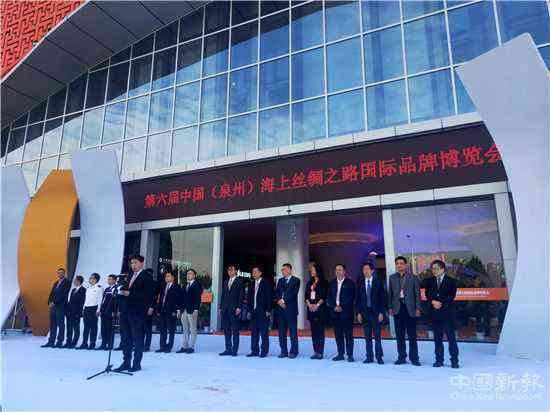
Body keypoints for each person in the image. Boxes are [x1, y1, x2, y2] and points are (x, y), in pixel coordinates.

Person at [115, 255, 154, 372]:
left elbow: (148, 295)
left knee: (137, 338)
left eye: (136, 262)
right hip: (125, 311)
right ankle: (126, 362)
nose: (133, 265)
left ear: (142, 263)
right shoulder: (129, 276)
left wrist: (130, 294)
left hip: (138, 312)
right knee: (125, 338)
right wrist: (120, 291)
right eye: (132, 263)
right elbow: (124, 290)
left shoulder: (147, 277)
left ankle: (136, 364)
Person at [425, 260, 459, 368]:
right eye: (433, 268)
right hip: (435, 314)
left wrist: (440, 303)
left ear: (443, 269)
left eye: (436, 268)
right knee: (437, 339)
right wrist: (433, 302)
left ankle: (454, 361)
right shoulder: (429, 281)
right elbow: (427, 294)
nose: (434, 270)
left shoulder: (451, 281)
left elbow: (451, 296)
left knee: (451, 338)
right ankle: (439, 360)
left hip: (447, 314)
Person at [388, 256, 421, 366]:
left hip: (410, 309)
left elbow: (417, 294)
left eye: (401, 263)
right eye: (397, 263)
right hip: (397, 309)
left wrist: (418, 308)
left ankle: (414, 358)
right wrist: (390, 307)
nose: (399, 265)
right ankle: (401, 357)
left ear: (405, 265)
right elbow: (390, 294)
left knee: (412, 335)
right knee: (399, 335)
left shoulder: (413, 277)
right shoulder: (392, 278)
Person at [356, 261, 387, 364]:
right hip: (365, 313)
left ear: (372, 271)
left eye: (367, 269)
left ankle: (379, 357)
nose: (365, 271)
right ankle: (369, 356)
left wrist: (381, 312)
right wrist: (358, 313)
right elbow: (358, 299)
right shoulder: (360, 282)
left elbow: (383, 298)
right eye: (363, 269)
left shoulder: (378, 282)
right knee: (367, 336)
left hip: (376, 313)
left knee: (377, 336)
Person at [327, 264, 356, 362]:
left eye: (340, 270)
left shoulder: (350, 283)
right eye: (336, 270)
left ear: (344, 271)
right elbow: (329, 297)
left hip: (346, 313)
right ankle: (340, 354)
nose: (338, 271)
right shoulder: (331, 283)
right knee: (338, 335)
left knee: (348, 335)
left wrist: (341, 306)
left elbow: (351, 297)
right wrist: (334, 306)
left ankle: (350, 355)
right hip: (335, 313)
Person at [275, 263, 300, 358]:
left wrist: (283, 300)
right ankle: (283, 351)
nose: (283, 271)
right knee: (281, 332)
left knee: (293, 332)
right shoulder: (280, 280)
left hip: (291, 310)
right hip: (281, 309)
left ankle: (294, 351)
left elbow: (293, 294)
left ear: (289, 270)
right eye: (282, 270)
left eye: (284, 269)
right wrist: (279, 301)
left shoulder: (296, 280)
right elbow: (277, 292)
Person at [246, 265, 272, 358]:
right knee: (254, 332)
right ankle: (254, 351)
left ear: (260, 273)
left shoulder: (266, 283)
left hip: (263, 311)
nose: (254, 273)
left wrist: (268, 310)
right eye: (253, 272)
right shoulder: (251, 283)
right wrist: (249, 310)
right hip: (253, 311)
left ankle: (264, 351)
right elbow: (249, 298)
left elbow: (269, 297)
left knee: (264, 332)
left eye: (255, 272)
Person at [219, 264, 245, 356]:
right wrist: (220, 307)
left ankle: (234, 350)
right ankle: (228, 349)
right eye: (228, 270)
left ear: (235, 271)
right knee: (226, 330)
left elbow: (241, 295)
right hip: (225, 309)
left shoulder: (239, 281)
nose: (230, 271)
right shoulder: (226, 281)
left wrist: (239, 307)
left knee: (235, 330)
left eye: (232, 269)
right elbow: (223, 295)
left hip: (234, 309)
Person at [42, 268, 70, 348]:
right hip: (53, 307)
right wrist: (50, 302)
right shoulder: (56, 282)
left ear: (64, 273)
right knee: (52, 325)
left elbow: (63, 294)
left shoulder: (67, 282)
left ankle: (59, 342)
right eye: (58, 273)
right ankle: (51, 341)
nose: (60, 274)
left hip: (60, 307)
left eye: (61, 273)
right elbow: (52, 294)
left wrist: (54, 302)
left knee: (60, 325)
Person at [177, 268, 203, 354]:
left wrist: (196, 309)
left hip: (192, 310)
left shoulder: (197, 285)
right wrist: (179, 309)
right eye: (188, 274)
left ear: (194, 275)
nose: (188, 275)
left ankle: (191, 347)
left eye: (190, 274)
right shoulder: (185, 285)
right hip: (184, 310)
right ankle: (184, 346)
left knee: (192, 329)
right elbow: (181, 298)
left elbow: (197, 298)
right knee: (185, 329)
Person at [305, 262, 327, 359]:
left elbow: (324, 296)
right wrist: (309, 304)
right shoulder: (309, 282)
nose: (311, 271)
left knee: (320, 331)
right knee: (313, 332)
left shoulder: (324, 282)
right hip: (311, 309)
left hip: (320, 309)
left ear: (317, 271)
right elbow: (306, 295)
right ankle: (315, 351)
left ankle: (320, 352)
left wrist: (317, 305)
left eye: (313, 270)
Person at [156, 271, 181, 353]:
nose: (166, 278)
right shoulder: (163, 286)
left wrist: (177, 310)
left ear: (173, 278)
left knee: (171, 330)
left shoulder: (176, 287)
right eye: (166, 276)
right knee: (162, 330)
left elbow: (178, 299)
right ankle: (162, 346)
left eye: (168, 276)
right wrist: (158, 309)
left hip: (171, 311)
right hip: (163, 311)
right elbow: (161, 299)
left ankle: (169, 347)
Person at [77, 273, 102, 350]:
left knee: (93, 327)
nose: (89, 279)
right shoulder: (88, 288)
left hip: (94, 308)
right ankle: (84, 343)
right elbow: (86, 300)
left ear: (95, 279)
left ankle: (92, 343)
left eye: (91, 278)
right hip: (86, 309)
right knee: (86, 327)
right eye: (90, 278)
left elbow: (100, 299)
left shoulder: (99, 288)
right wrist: (83, 309)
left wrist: (98, 310)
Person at [64, 275, 85, 348]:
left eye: (75, 280)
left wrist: (79, 313)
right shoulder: (73, 290)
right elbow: (70, 301)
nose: (74, 282)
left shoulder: (83, 290)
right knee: (69, 328)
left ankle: (74, 342)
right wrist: (67, 311)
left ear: (79, 281)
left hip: (76, 313)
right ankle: (68, 342)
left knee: (76, 328)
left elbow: (82, 303)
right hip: (69, 312)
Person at [97, 274, 117, 350]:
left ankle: (110, 344)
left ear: (114, 280)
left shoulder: (116, 289)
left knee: (109, 329)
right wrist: (100, 309)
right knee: (103, 328)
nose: (108, 281)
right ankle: (103, 344)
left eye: (110, 279)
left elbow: (116, 301)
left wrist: (114, 311)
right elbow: (103, 300)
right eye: (108, 279)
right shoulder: (107, 289)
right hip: (104, 311)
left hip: (110, 311)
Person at [143, 268, 158, 352]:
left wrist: (151, 307)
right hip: (142, 307)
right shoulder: (143, 282)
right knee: (141, 328)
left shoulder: (153, 283)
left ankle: (147, 346)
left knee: (148, 328)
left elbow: (154, 297)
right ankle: (141, 345)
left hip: (149, 308)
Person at [113, 272, 129, 351]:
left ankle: (126, 344)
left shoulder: (126, 286)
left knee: (126, 329)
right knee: (122, 329)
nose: (118, 281)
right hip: (120, 310)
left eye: (120, 280)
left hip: (125, 311)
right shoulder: (117, 287)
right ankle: (122, 344)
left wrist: (120, 310)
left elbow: (124, 300)